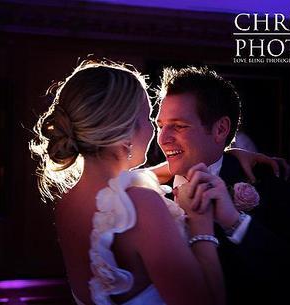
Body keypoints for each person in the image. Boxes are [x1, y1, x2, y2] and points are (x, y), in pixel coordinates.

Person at [29, 59, 227, 305]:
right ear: (124, 130)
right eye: (149, 117)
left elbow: (142, 178)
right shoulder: (141, 205)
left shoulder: (69, 201)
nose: (155, 130)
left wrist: (227, 154)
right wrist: (201, 225)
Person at [156, 66, 290, 305]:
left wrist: (236, 223)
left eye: (178, 126)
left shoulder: (270, 181)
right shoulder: (146, 189)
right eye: (160, 125)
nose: (163, 138)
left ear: (220, 129)